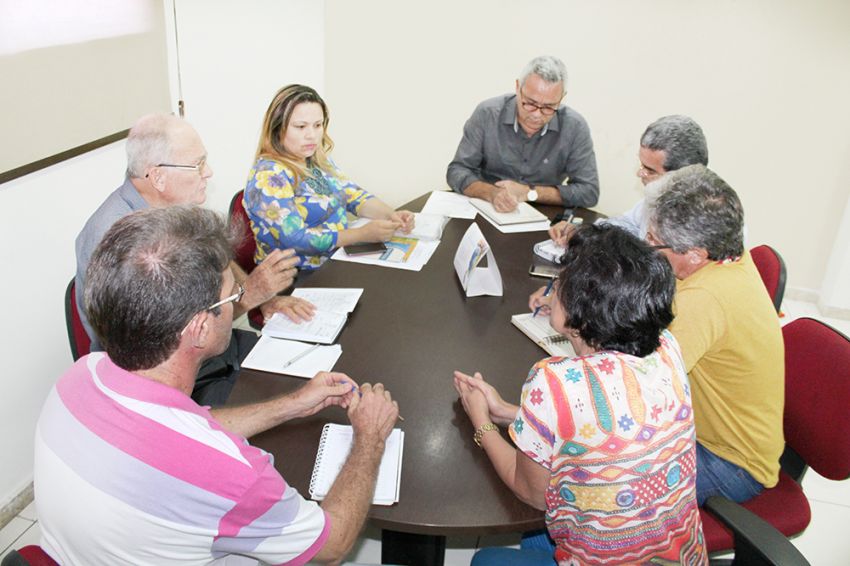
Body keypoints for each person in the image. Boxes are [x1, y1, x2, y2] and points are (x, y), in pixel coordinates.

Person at [37, 206, 400, 565]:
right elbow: (332, 545)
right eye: (233, 294)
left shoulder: (81, 375)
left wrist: (292, 404)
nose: (239, 300)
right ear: (199, 328)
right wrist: (369, 437)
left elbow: (186, 429)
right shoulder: (233, 475)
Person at [455, 224, 706, 565]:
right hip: (682, 558)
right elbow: (610, 428)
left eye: (561, 280)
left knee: (486, 561)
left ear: (580, 313)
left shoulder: (556, 381)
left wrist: (481, 420)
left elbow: (533, 494)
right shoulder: (665, 346)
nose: (554, 286)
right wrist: (514, 414)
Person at [75, 113, 314, 405]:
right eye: (197, 164)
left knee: (310, 365)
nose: (209, 172)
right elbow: (184, 338)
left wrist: (265, 299)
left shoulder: (170, 206)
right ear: (158, 176)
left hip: (214, 350)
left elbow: (218, 258)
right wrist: (253, 294)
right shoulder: (129, 246)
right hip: (175, 380)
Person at [646, 164, 784, 505]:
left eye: (654, 241)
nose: (646, 245)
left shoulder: (705, 299)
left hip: (728, 462)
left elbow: (638, 389)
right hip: (703, 431)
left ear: (695, 254)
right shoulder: (730, 257)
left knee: (591, 491)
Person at [244, 84, 414, 270]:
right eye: (301, 127)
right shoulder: (269, 176)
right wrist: (361, 235)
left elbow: (352, 195)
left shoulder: (316, 160)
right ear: (277, 129)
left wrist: (391, 215)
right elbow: (296, 239)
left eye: (318, 125)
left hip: (336, 260)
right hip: (294, 276)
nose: (312, 135)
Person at [446, 55, 599, 213]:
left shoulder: (574, 127)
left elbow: (589, 192)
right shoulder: (488, 114)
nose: (537, 115)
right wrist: (492, 193)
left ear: (562, 98)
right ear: (518, 87)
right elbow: (457, 171)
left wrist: (530, 192)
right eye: (530, 103)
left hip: (543, 216)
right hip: (488, 207)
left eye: (548, 107)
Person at [549, 114, 708, 245]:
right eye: (641, 165)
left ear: (682, 175)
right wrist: (582, 233)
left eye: (650, 170)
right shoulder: (660, 194)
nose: (640, 173)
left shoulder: (703, 216)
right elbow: (627, 224)